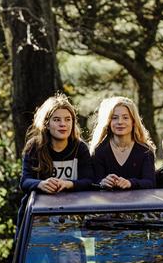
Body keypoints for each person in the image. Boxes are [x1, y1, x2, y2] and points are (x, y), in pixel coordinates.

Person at [18, 94, 93, 223]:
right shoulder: (34, 147)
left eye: (68, 119)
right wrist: (41, 184)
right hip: (37, 217)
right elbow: (24, 182)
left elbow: (89, 181)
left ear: (73, 123)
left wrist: (67, 184)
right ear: (47, 124)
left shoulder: (80, 148)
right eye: (57, 120)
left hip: (72, 215)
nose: (63, 124)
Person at [89, 96, 155, 190]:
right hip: (108, 203)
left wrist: (130, 183)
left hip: (138, 203)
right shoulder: (99, 151)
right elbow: (92, 182)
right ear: (109, 122)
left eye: (125, 117)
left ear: (133, 121)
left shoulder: (145, 151)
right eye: (115, 118)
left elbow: (150, 183)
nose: (120, 122)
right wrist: (102, 182)